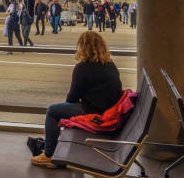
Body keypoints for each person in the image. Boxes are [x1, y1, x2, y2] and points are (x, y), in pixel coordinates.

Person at [31, 31, 122, 169]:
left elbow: (72, 97)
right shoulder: (110, 65)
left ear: (83, 47)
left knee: (53, 111)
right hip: (109, 112)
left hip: (94, 113)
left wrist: (76, 102)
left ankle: (49, 155)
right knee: (62, 109)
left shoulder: (82, 67)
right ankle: (56, 149)